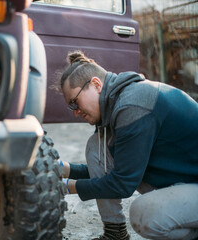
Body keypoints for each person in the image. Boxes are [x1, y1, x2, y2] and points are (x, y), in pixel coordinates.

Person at [58, 50, 198, 240]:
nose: (75, 112)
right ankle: (115, 234)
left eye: (75, 103)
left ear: (96, 84)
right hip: (184, 181)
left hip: (193, 184)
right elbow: (117, 169)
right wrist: (65, 170)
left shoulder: (133, 106)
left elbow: (122, 183)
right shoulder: (120, 101)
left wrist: (67, 187)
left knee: (145, 214)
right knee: (96, 145)